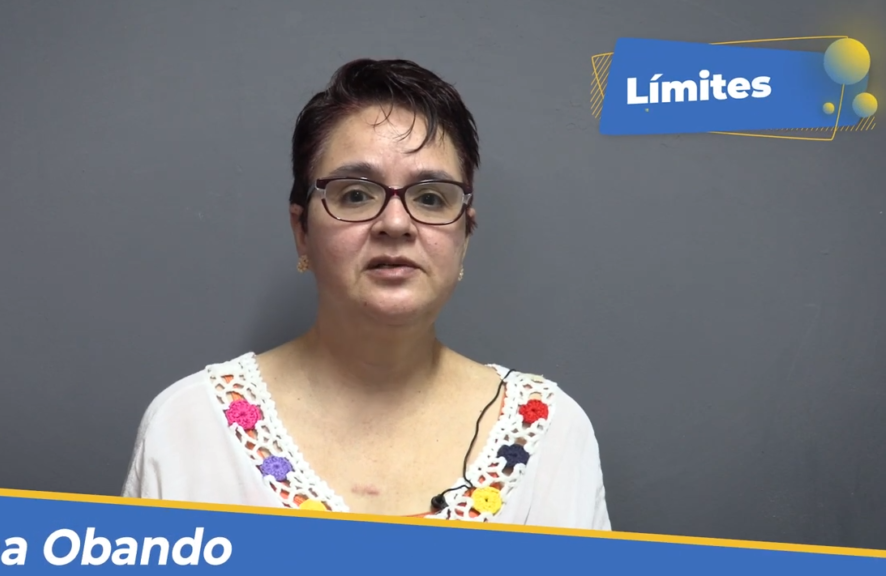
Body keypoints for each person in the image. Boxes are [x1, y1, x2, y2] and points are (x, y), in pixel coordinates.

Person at [122, 58, 610, 529]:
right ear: (301, 231)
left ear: (465, 236)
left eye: (430, 197)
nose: (395, 223)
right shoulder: (190, 428)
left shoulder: (550, 435)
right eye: (356, 194)